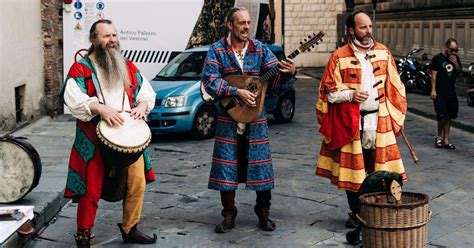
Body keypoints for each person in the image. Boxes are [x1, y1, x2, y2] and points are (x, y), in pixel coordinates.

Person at [61, 19, 157, 247]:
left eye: (114, 35)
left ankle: (130, 228)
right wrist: (100, 108)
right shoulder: (81, 68)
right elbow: (72, 97)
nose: (112, 41)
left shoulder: (128, 65)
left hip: (127, 136)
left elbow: (145, 92)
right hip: (94, 135)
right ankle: (84, 235)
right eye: (106, 36)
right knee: (90, 188)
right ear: (94, 39)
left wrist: (142, 107)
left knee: (137, 183)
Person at [201, 7, 296, 233]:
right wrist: (236, 91)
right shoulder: (217, 50)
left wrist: (288, 72)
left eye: (248, 23)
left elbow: (274, 79)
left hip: (255, 117)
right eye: (241, 23)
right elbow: (209, 81)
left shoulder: (260, 49)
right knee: (227, 166)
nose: (246, 27)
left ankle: (263, 212)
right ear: (230, 25)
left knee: (260, 165)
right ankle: (229, 214)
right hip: (229, 116)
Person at [315, 11, 408, 228]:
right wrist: (350, 95)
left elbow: (396, 87)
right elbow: (327, 92)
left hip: (379, 121)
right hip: (352, 123)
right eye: (363, 27)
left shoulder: (384, 52)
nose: (368, 31)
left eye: (369, 27)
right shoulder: (338, 56)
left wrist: (395, 116)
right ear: (351, 30)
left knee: (382, 170)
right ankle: (356, 213)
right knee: (353, 172)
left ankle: (379, 211)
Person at [430, 38, 462, 150]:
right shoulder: (437, 59)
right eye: (452, 50)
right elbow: (433, 75)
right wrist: (433, 90)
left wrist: (455, 63)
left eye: (456, 50)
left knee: (449, 117)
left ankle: (446, 139)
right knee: (442, 116)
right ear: (446, 47)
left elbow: (458, 71)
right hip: (440, 92)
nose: (454, 52)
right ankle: (438, 137)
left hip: (451, 92)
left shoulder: (455, 58)